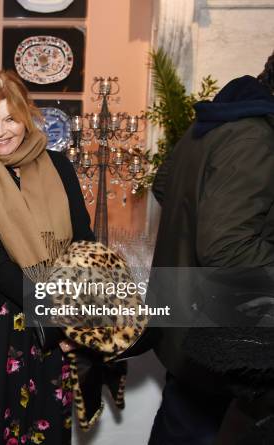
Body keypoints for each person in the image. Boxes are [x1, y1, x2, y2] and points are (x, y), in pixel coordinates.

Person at [0, 70, 94, 445]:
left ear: (26, 118)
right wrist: (59, 318)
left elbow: (82, 242)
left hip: (50, 330)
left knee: (43, 429)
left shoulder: (58, 166)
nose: (0, 130)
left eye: (9, 118)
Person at [148, 50, 274, 445]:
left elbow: (163, 184)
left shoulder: (215, 120)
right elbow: (226, 248)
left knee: (180, 424)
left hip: (189, 320)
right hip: (219, 333)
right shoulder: (254, 134)